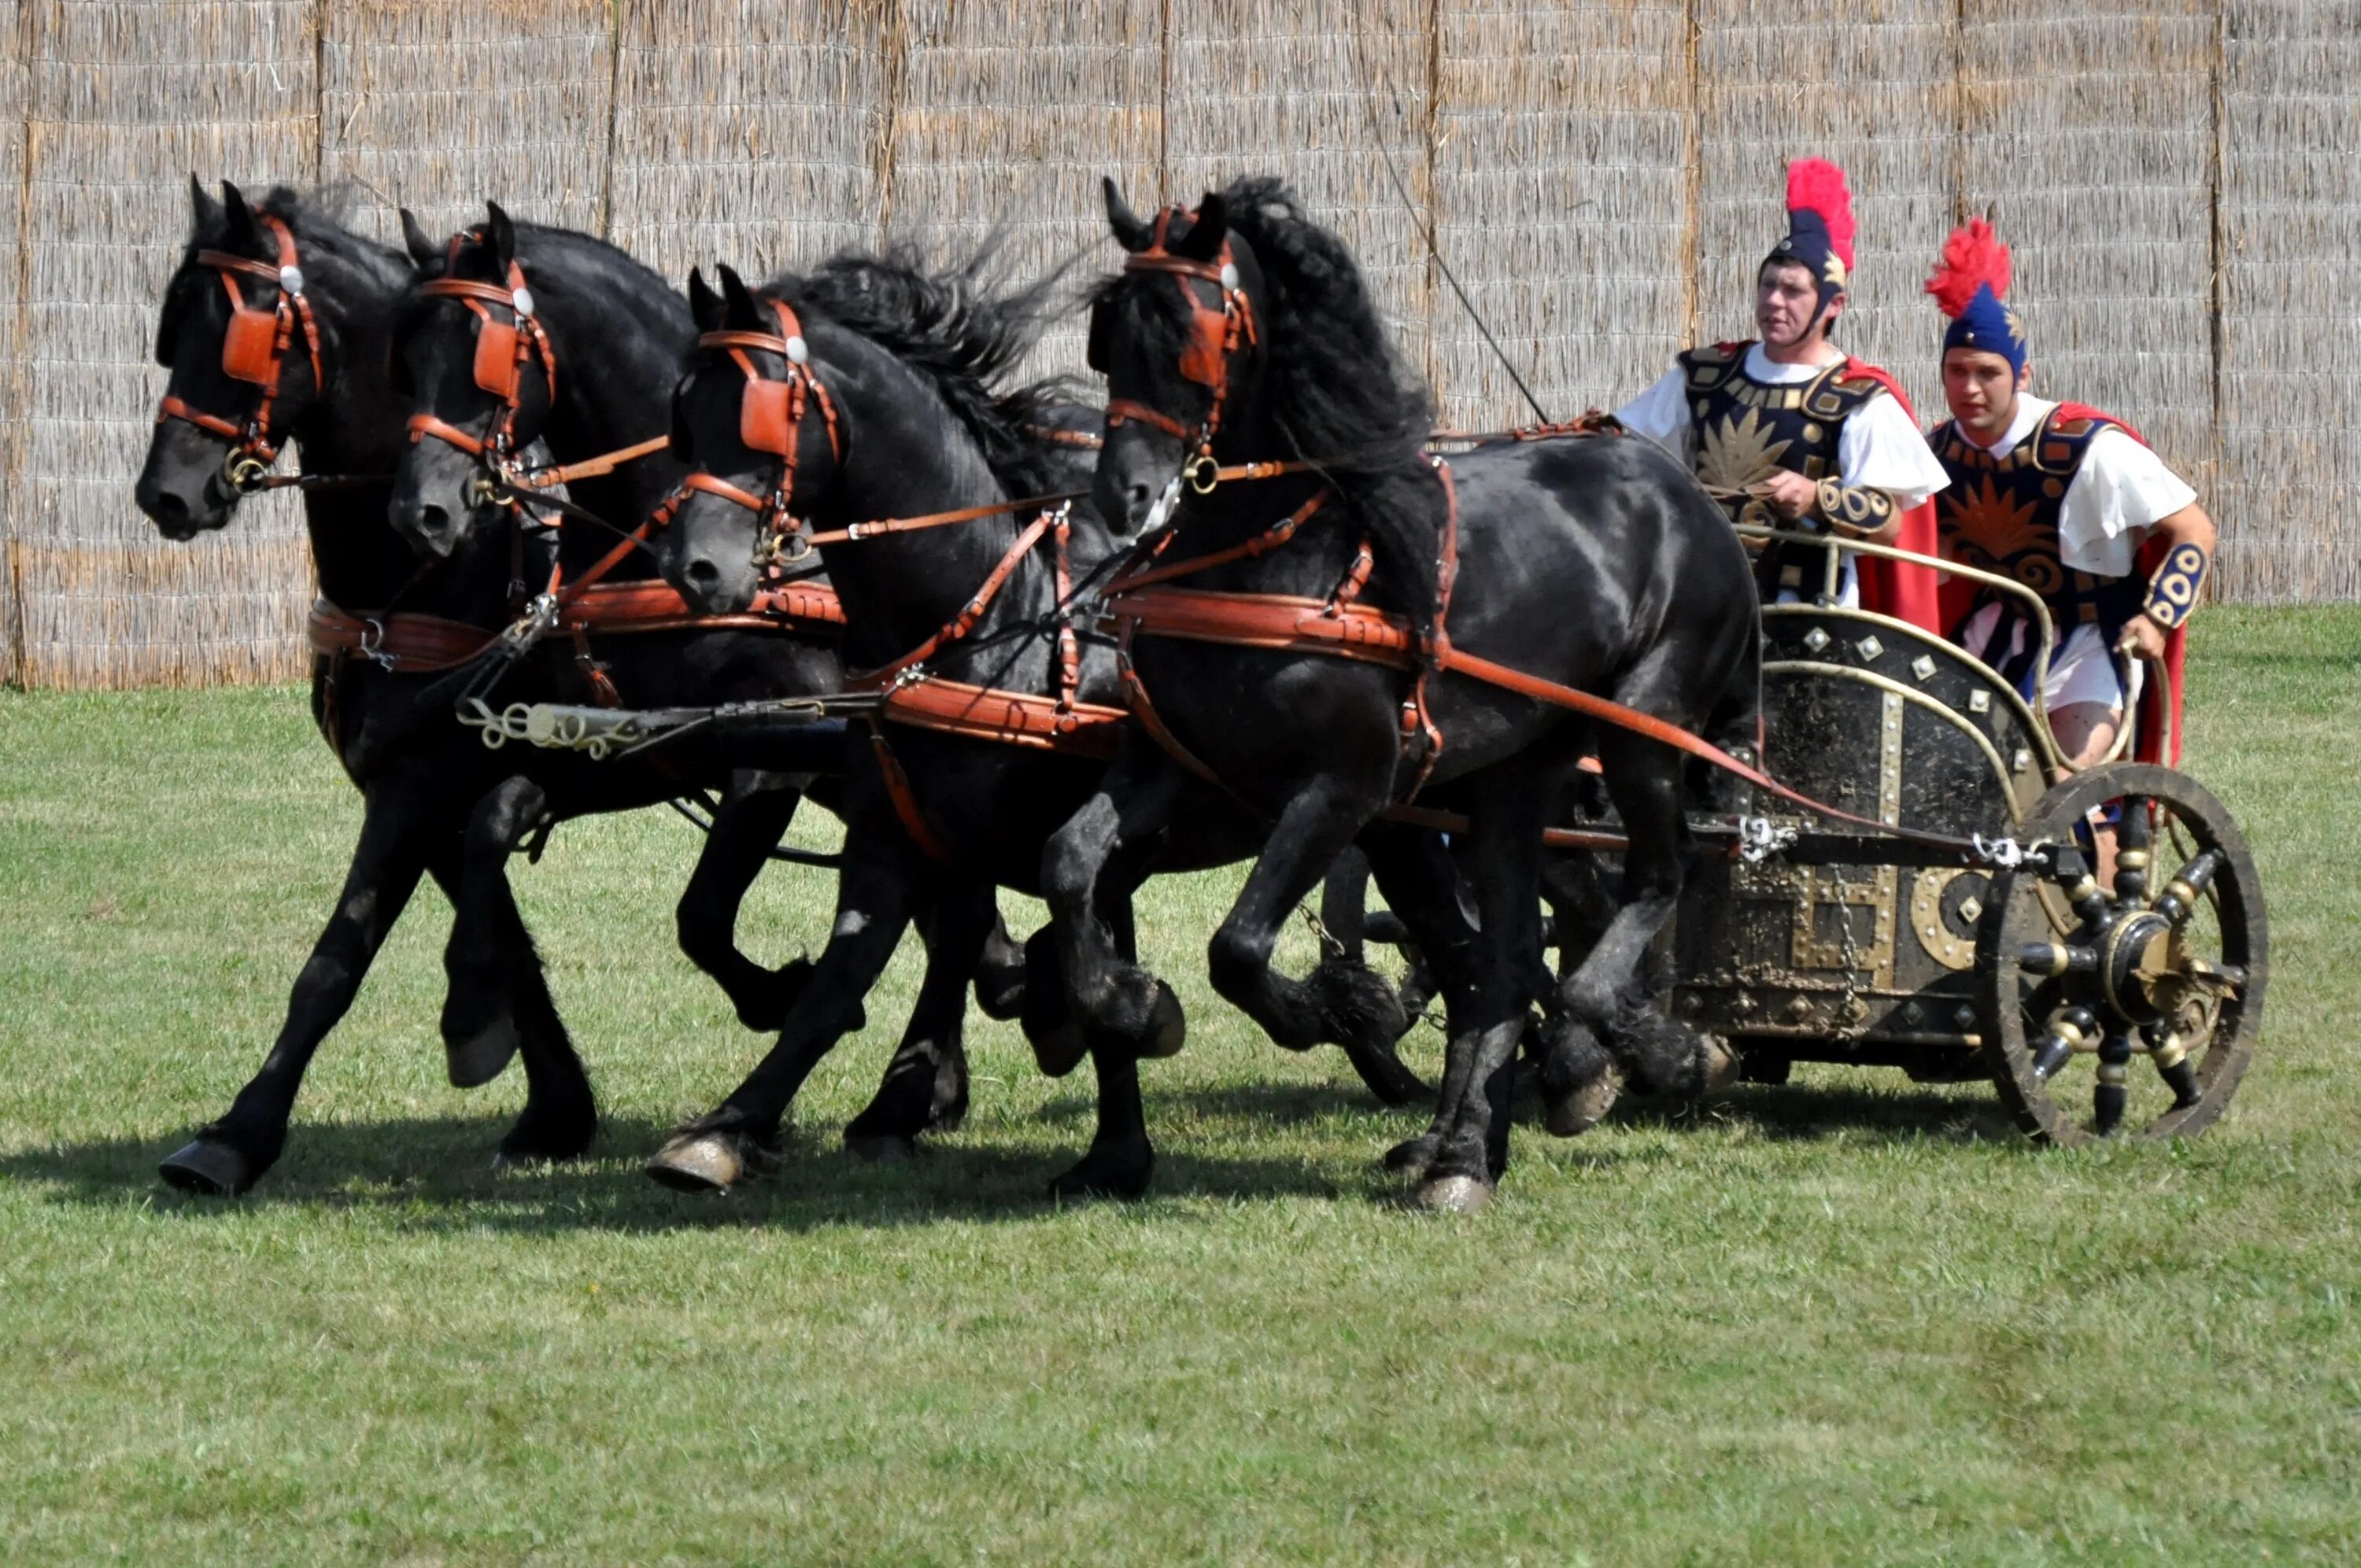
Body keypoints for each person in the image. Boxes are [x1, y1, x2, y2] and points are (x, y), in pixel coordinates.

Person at [1923, 217, 2214, 769]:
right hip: (1994, 635)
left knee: (2067, 789)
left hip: (2092, 640)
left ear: (2022, 374)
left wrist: (2157, 618)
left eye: (1987, 372)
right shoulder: (1938, 454)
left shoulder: (2087, 449)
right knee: (1950, 782)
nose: (1970, 388)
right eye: (1957, 371)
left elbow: (2194, 529)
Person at [1617, 158, 1947, 628]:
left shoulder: (1857, 397)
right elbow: (1630, 446)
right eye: (1768, 285)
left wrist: (1820, 498)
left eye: (1793, 291)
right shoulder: (1707, 376)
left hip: (1807, 613)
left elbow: (1890, 519)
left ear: (1832, 305)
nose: (1774, 300)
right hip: (1696, 598)